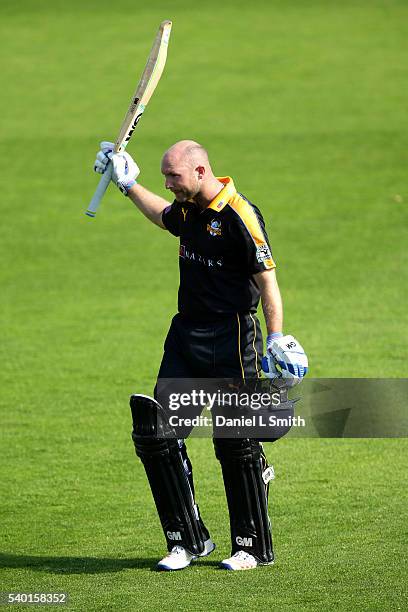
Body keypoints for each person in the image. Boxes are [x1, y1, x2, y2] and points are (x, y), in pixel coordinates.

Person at [93, 140, 308, 571]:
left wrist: (277, 335)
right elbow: (163, 217)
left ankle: (251, 546)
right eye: (164, 176)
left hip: (232, 336)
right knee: (157, 434)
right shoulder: (187, 207)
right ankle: (188, 542)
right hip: (186, 335)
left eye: (173, 176)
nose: (167, 183)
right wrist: (128, 184)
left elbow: (267, 280)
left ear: (201, 171)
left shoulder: (239, 215)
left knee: (236, 441)